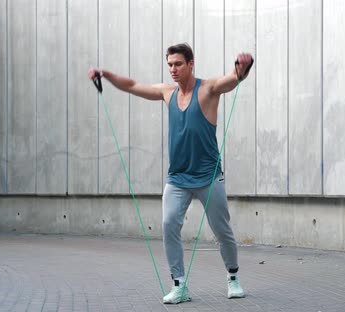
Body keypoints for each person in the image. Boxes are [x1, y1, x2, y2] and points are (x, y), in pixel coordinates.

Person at [88, 43, 253, 304]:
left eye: (177, 64)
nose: (173, 69)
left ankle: (233, 278)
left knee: (222, 231)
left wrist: (242, 69)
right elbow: (132, 85)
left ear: (190, 63)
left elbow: (232, 80)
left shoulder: (208, 89)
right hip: (177, 178)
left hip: (209, 176)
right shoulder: (167, 93)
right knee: (168, 225)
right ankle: (179, 286)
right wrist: (105, 75)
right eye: (169, 65)